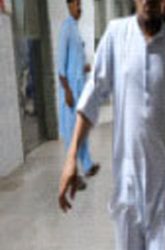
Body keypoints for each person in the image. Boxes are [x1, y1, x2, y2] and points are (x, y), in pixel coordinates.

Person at [57, 0, 165, 250]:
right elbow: (91, 98)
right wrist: (71, 159)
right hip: (128, 180)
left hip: (162, 185)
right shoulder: (116, 35)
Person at [58, 0, 100, 190]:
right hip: (71, 93)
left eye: (81, 4)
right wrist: (67, 91)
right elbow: (61, 66)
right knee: (71, 135)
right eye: (76, 4)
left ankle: (87, 165)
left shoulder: (75, 29)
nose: (80, 8)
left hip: (79, 90)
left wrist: (86, 67)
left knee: (81, 130)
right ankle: (74, 176)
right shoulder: (66, 29)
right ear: (69, 6)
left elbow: (75, 64)